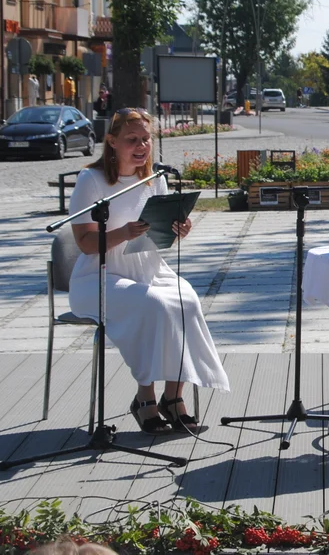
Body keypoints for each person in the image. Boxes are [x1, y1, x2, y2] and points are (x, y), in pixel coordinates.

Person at [66, 107, 229, 435]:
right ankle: (145, 397)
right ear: (112, 142)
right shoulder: (91, 180)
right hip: (100, 275)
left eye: (146, 139)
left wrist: (178, 227)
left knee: (187, 300)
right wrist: (123, 233)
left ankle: (173, 395)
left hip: (147, 267)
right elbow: (84, 242)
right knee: (155, 304)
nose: (141, 146)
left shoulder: (155, 179)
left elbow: (158, 232)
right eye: (132, 140)